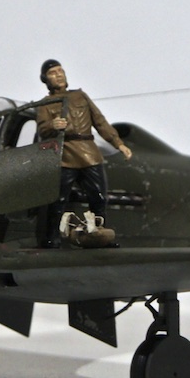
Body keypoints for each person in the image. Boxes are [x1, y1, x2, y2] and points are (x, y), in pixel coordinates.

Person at [36, 59, 132, 248]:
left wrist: (118, 144)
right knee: (58, 200)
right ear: (45, 79)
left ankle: (99, 235)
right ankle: (52, 237)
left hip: (89, 153)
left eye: (60, 71)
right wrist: (52, 125)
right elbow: (42, 129)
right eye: (53, 73)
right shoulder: (45, 105)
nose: (58, 75)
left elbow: (100, 121)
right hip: (65, 155)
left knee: (99, 196)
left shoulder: (80, 96)